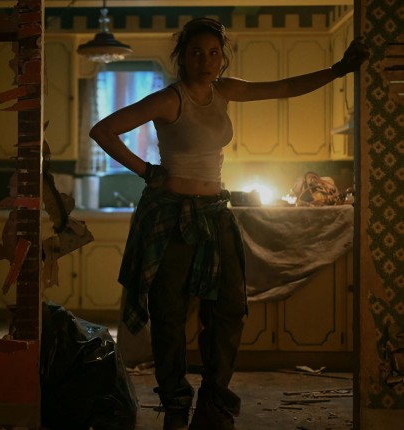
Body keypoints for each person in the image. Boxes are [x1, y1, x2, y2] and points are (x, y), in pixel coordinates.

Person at [89, 17, 368, 430]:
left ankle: (214, 401)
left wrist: (338, 71)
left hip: (215, 213)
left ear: (222, 58)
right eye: (196, 53)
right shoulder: (169, 99)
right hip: (172, 214)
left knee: (230, 309)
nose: (205, 61)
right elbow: (103, 130)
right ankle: (176, 403)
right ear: (182, 57)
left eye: (213, 53)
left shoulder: (225, 91)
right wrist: (147, 171)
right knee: (169, 314)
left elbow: (283, 87)